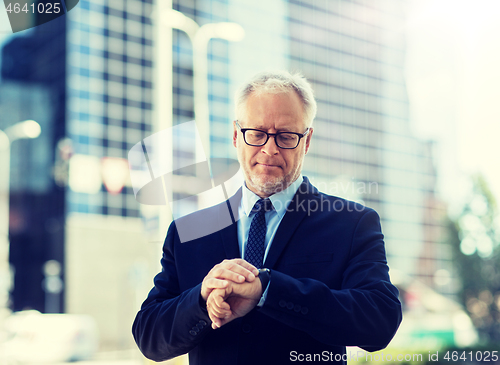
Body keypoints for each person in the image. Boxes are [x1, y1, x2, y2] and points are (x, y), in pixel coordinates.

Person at [132, 71, 402, 365]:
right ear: (236, 136)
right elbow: (149, 336)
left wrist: (268, 290)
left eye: (286, 136)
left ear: (307, 141)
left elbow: (380, 321)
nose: (270, 149)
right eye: (257, 133)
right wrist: (200, 299)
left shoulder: (352, 224)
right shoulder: (189, 230)